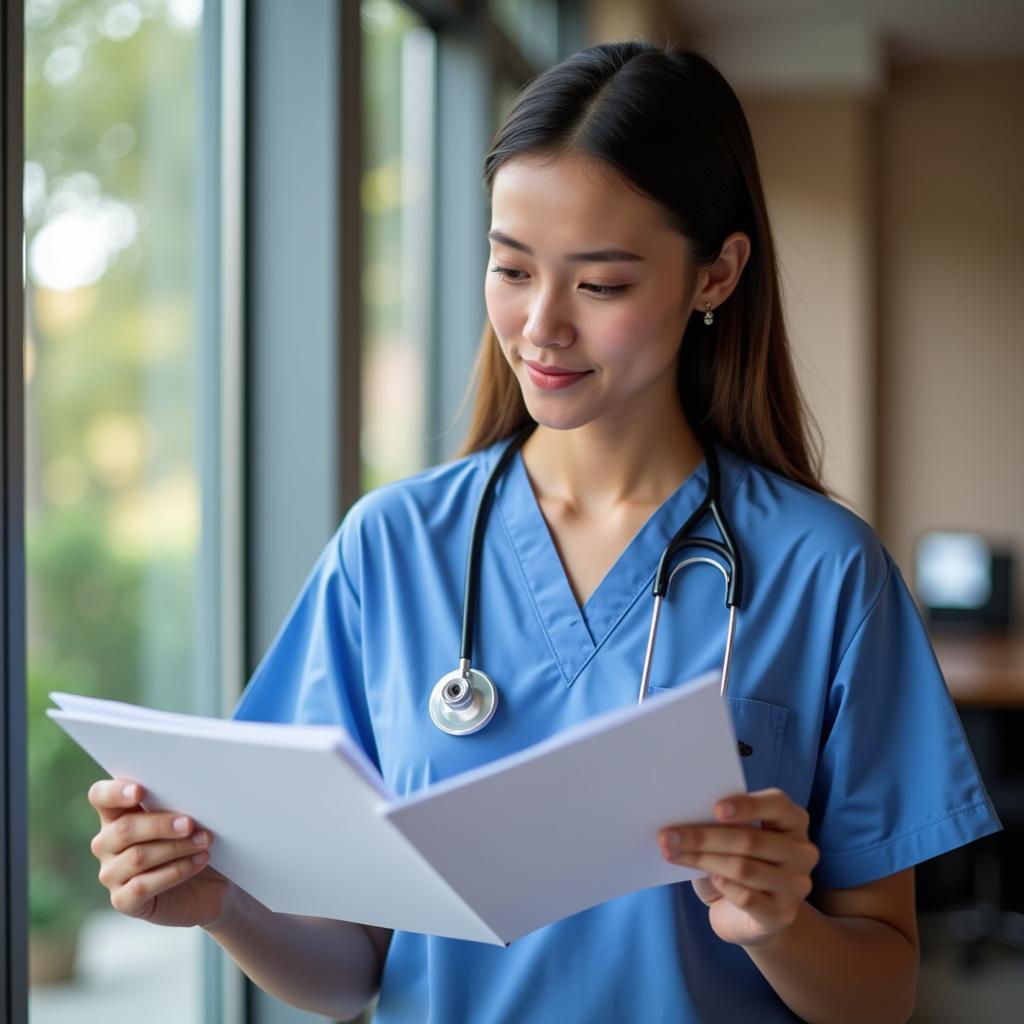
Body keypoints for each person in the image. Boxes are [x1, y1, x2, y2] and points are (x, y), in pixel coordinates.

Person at [87, 41, 1001, 1023]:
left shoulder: (824, 573)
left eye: (600, 285)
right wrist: (220, 905)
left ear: (717, 275)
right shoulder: (389, 550)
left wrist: (780, 923)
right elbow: (352, 971)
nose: (539, 328)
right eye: (510, 269)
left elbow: (882, 990)